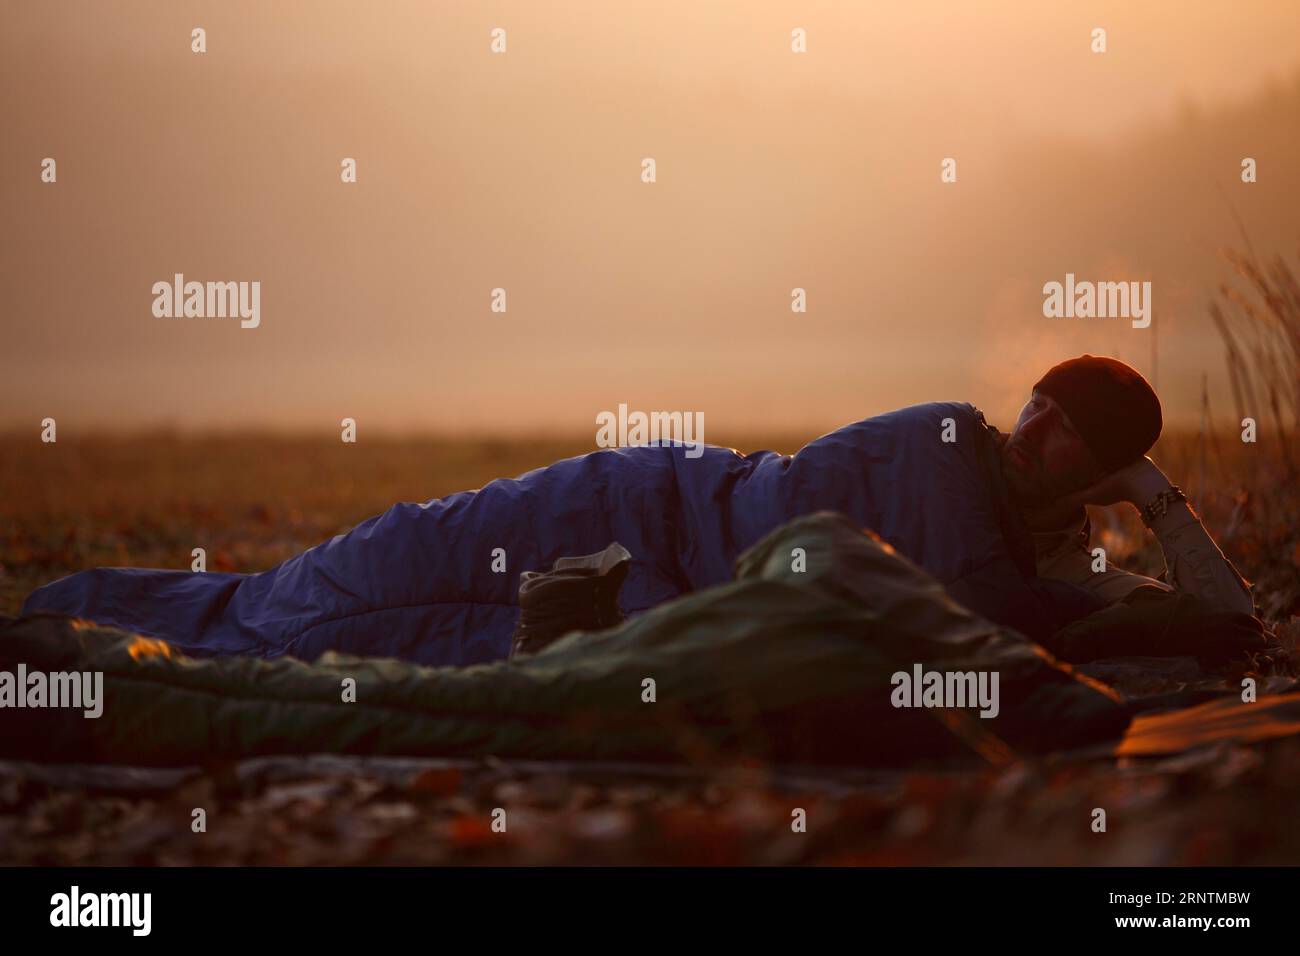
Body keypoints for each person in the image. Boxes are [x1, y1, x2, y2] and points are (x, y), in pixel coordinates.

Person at [992, 355, 1253, 616]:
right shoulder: (956, 455)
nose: (1029, 429)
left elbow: (1232, 619)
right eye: (1036, 404)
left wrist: (1146, 484)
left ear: (1100, 474)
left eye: (1064, 427)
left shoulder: (1079, 578)